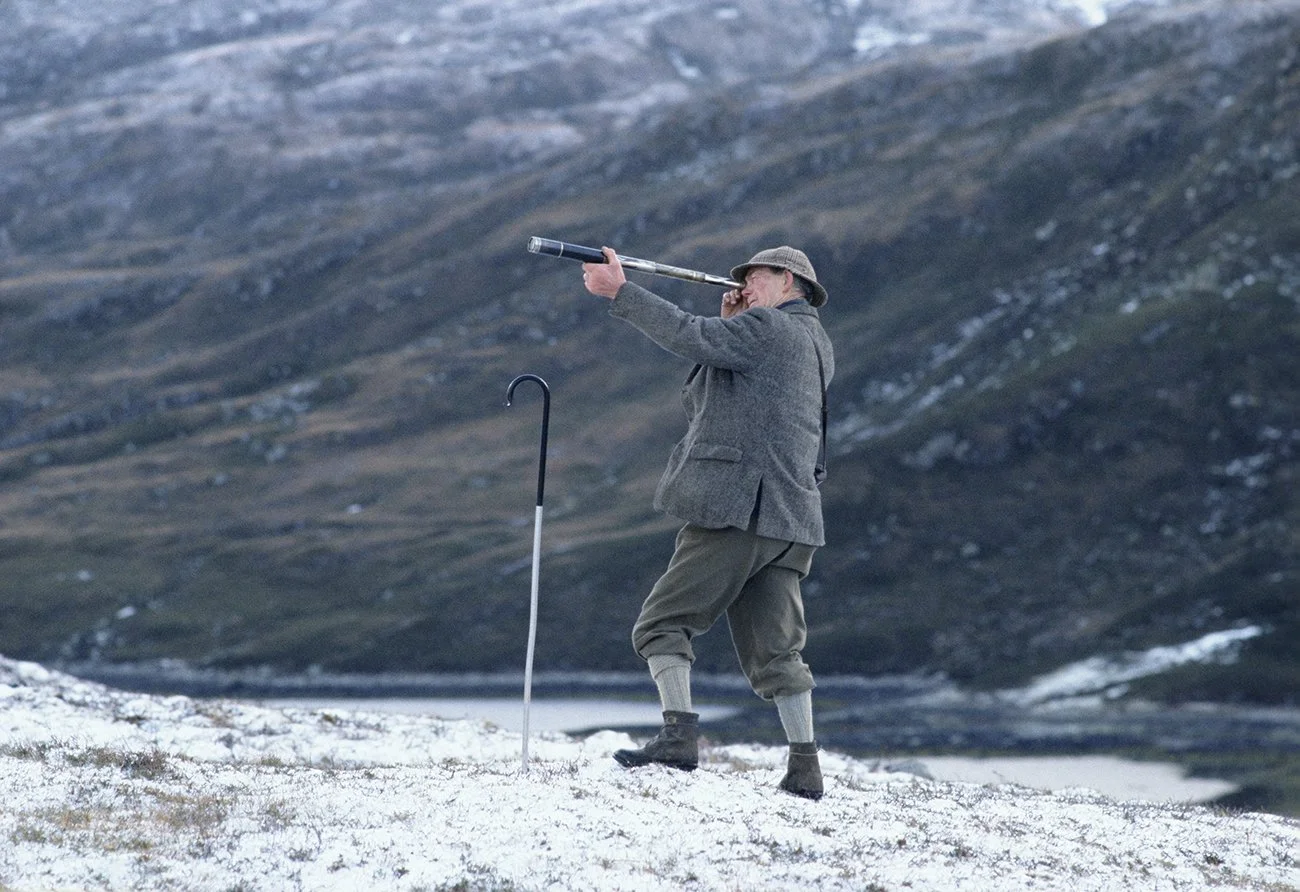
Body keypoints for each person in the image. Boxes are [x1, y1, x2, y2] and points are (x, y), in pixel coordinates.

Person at [581, 244, 834, 800]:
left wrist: (621, 292)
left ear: (786, 280)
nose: (743, 284)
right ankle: (805, 766)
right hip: (791, 520)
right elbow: (706, 400)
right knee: (779, 651)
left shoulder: (769, 329)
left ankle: (677, 738)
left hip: (738, 509)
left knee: (661, 625)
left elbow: (686, 333)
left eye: (755, 277)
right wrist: (731, 327)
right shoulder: (814, 341)